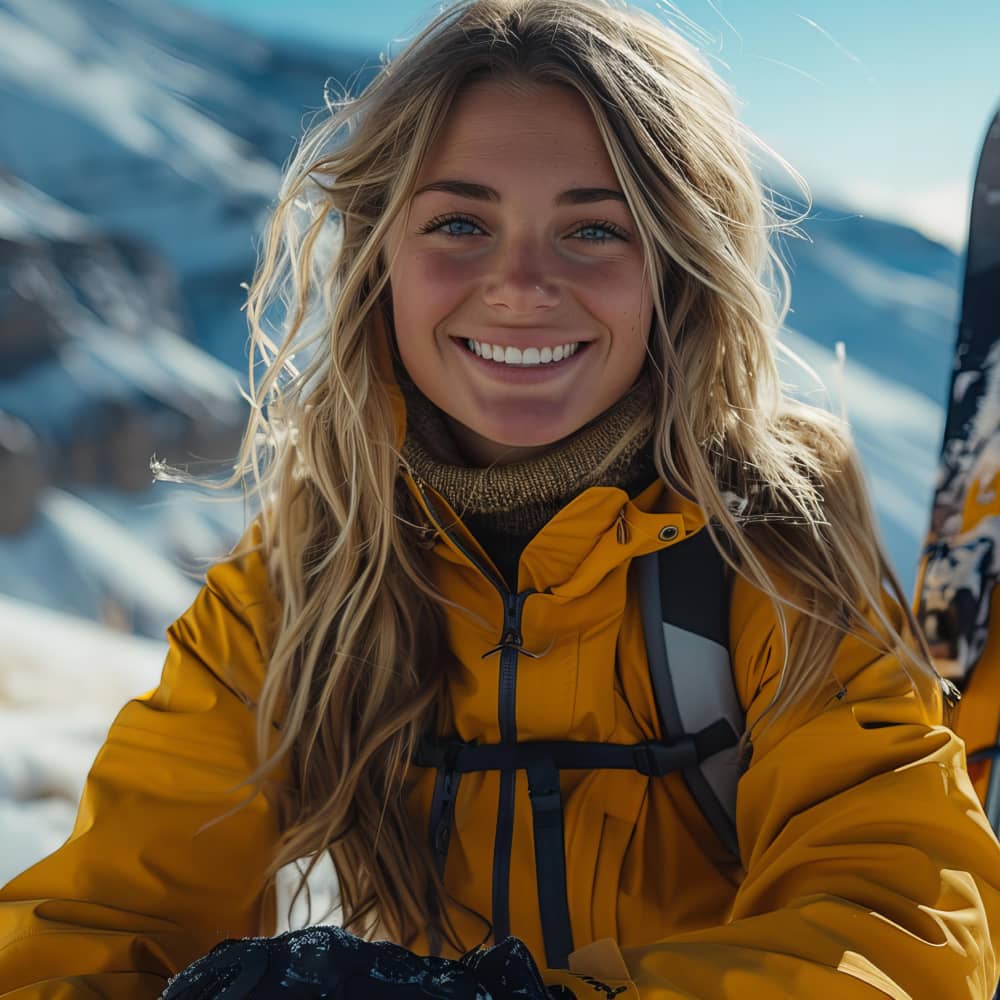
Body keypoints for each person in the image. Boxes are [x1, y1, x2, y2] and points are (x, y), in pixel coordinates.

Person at [2, 0, 1000, 996]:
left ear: (675, 269)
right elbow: (96, 919)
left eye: (594, 229)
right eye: (461, 222)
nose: (519, 283)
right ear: (379, 252)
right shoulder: (304, 581)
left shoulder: (772, 557)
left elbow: (899, 927)